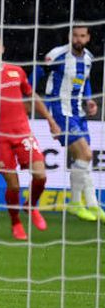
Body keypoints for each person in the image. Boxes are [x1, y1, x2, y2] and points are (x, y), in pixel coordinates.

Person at [0, 31, 61, 240]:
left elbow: (32, 97)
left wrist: (51, 121)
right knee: (13, 185)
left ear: (2, 48)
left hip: (22, 133)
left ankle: (31, 205)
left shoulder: (16, 72)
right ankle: (15, 221)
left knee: (41, 175)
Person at [34, 25, 102, 222]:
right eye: (75, 35)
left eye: (82, 36)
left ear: (88, 38)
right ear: (69, 36)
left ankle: (92, 204)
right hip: (60, 111)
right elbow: (38, 73)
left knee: (84, 159)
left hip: (78, 113)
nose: (78, 39)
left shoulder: (88, 57)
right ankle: (74, 202)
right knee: (86, 154)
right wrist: (30, 94)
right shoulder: (57, 55)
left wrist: (89, 99)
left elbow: (84, 81)